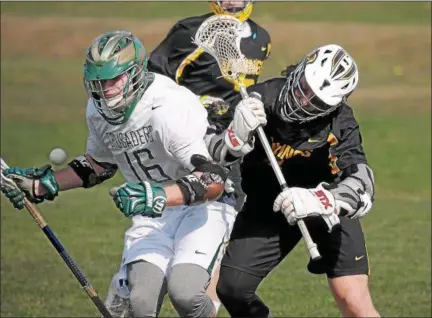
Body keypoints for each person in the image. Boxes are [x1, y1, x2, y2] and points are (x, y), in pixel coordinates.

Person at [0, 31, 265, 318]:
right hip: (152, 216)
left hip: (201, 209)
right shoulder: (97, 110)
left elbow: (212, 180)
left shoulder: (166, 108)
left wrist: (157, 196)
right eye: (99, 82)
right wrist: (43, 184)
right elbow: (99, 165)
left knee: (186, 295)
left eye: (114, 80)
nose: (106, 90)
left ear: (135, 73)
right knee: (139, 304)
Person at [204, 44, 380, 317]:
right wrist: (234, 138)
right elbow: (212, 151)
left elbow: (362, 183)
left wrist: (322, 200)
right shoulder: (258, 98)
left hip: (327, 209)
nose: (303, 100)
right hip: (267, 207)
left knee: (354, 300)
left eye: (316, 102)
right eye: (302, 88)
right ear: (298, 71)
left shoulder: (340, 123)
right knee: (232, 288)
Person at [147, 0, 272, 313]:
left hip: (233, 150)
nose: (231, 2)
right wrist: (196, 106)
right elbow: (153, 84)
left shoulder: (260, 38)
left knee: (221, 237)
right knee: (166, 231)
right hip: (188, 148)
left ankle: (207, 309)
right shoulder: (189, 32)